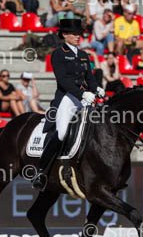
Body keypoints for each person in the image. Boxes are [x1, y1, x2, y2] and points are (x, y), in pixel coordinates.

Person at [31, 18, 102, 190]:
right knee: (62, 133)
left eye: (79, 34)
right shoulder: (58, 54)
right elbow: (63, 81)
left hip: (84, 98)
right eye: (74, 34)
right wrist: (82, 93)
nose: (78, 37)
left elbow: (90, 78)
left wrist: (97, 89)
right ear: (64, 34)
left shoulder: (83, 55)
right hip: (67, 98)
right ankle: (40, 171)